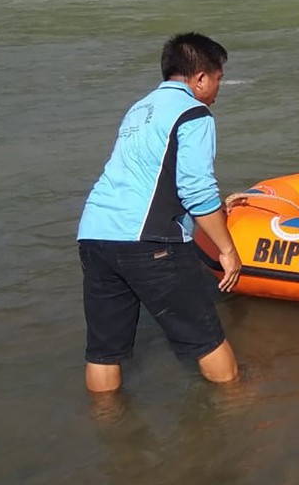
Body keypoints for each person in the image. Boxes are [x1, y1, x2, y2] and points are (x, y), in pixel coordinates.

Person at [77, 32, 242, 393]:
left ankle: (108, 422)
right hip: (149, 240)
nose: (218, 88)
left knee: (104, 351)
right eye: (219, 78)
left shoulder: (140, 109)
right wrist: (228, 250)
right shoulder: (194, 113)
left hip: (94, 234)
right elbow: (196, 189)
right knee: (207, 338)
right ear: (201, 78)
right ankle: (237, 407)